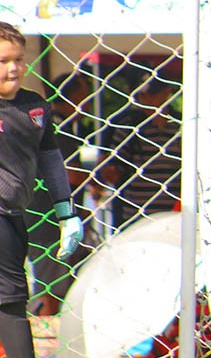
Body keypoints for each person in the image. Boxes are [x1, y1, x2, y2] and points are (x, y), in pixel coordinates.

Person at [0, 21, 82, 358]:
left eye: (18, 60)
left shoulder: (35, 106)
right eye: (2, 61)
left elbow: (51, 160)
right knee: (12, 296)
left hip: (15, 217)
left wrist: (67, 212)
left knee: (13, 297)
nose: (13, 68)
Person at [26, 72, 93, 315]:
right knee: (51, 289)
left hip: (39, 214)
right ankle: (44, 342)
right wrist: (93, 177)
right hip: (49, 218)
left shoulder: (45, 122)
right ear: (73, 94)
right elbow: (69, 175)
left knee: (49, 280)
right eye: (83, 92)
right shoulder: (58, 129)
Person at [104, 74, 181, 227]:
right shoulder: (129, 126)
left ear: (168, 91)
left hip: (173, 212)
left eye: (152, 93)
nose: (146, 99)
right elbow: (112, 170)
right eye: (142, 94)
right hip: (136, 214)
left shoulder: (179, 125)